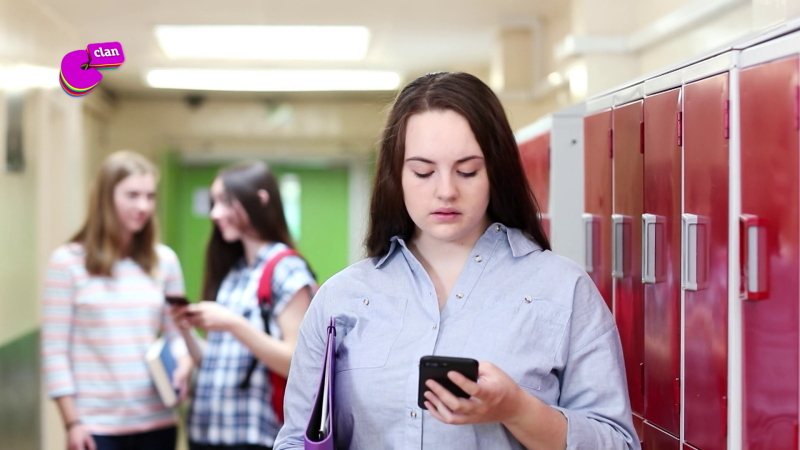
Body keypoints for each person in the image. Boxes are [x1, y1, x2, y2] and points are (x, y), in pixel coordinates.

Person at [273, 72, 640, 450]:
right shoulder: (341, 299)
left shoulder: (563, 290)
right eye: (423, 172)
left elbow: (619, 443)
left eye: (467, 171)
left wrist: (516, 409)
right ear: (394, 176)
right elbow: (295, 441)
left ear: (495, 172)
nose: (446, 191)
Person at [42, 150, 193, 450]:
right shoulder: (67, 262)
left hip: (157, 421)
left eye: (150, 196)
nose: (143, 206)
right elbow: (55, 351)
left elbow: (176, 333)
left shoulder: (164, 261)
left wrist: (185, 361)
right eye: (132, 195)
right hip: (96, 425)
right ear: (105, 198)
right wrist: (72, 422)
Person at [170, 161, 316, 450]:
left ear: (259, 201)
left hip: (254, 436)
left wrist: (232, 323)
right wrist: (185, 329)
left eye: (225, 201)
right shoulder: (234, 271)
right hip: (206, 433)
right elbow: (212, 361)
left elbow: (296, 363)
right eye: (214, 203)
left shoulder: (287, 269)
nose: (215, 214)